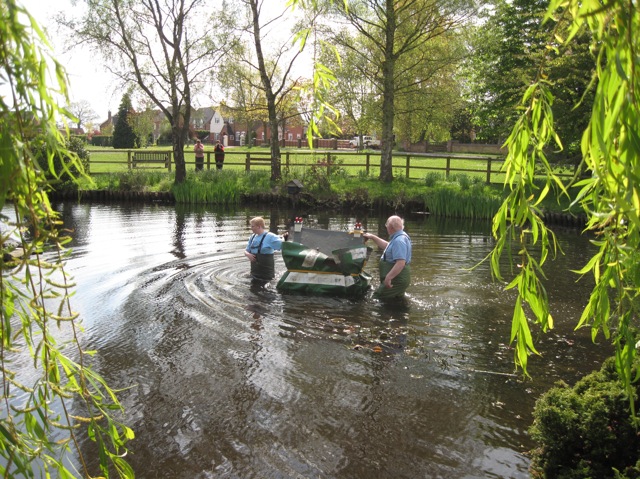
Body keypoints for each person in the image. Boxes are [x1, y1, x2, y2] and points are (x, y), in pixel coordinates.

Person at [362, 215, 412, 299]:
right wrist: (373, 237)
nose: (386, 228)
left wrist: (388, 278)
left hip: (396, 279)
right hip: (398, 279)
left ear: (390, 228)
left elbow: (400, 263)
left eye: (387, 226)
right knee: (396, 300)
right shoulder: (399, 237)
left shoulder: (399, 241)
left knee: (377, 298)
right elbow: (388, 246)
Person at [244, 216, 288, 281]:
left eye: (252, 226)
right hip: (254, 274)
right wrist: (248, 255)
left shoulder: (270, 237)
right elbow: (246, 251)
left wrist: (286, 238)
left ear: (259, 226)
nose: (251, 228)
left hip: (267, 277)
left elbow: (284, 246)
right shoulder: (252, 237)